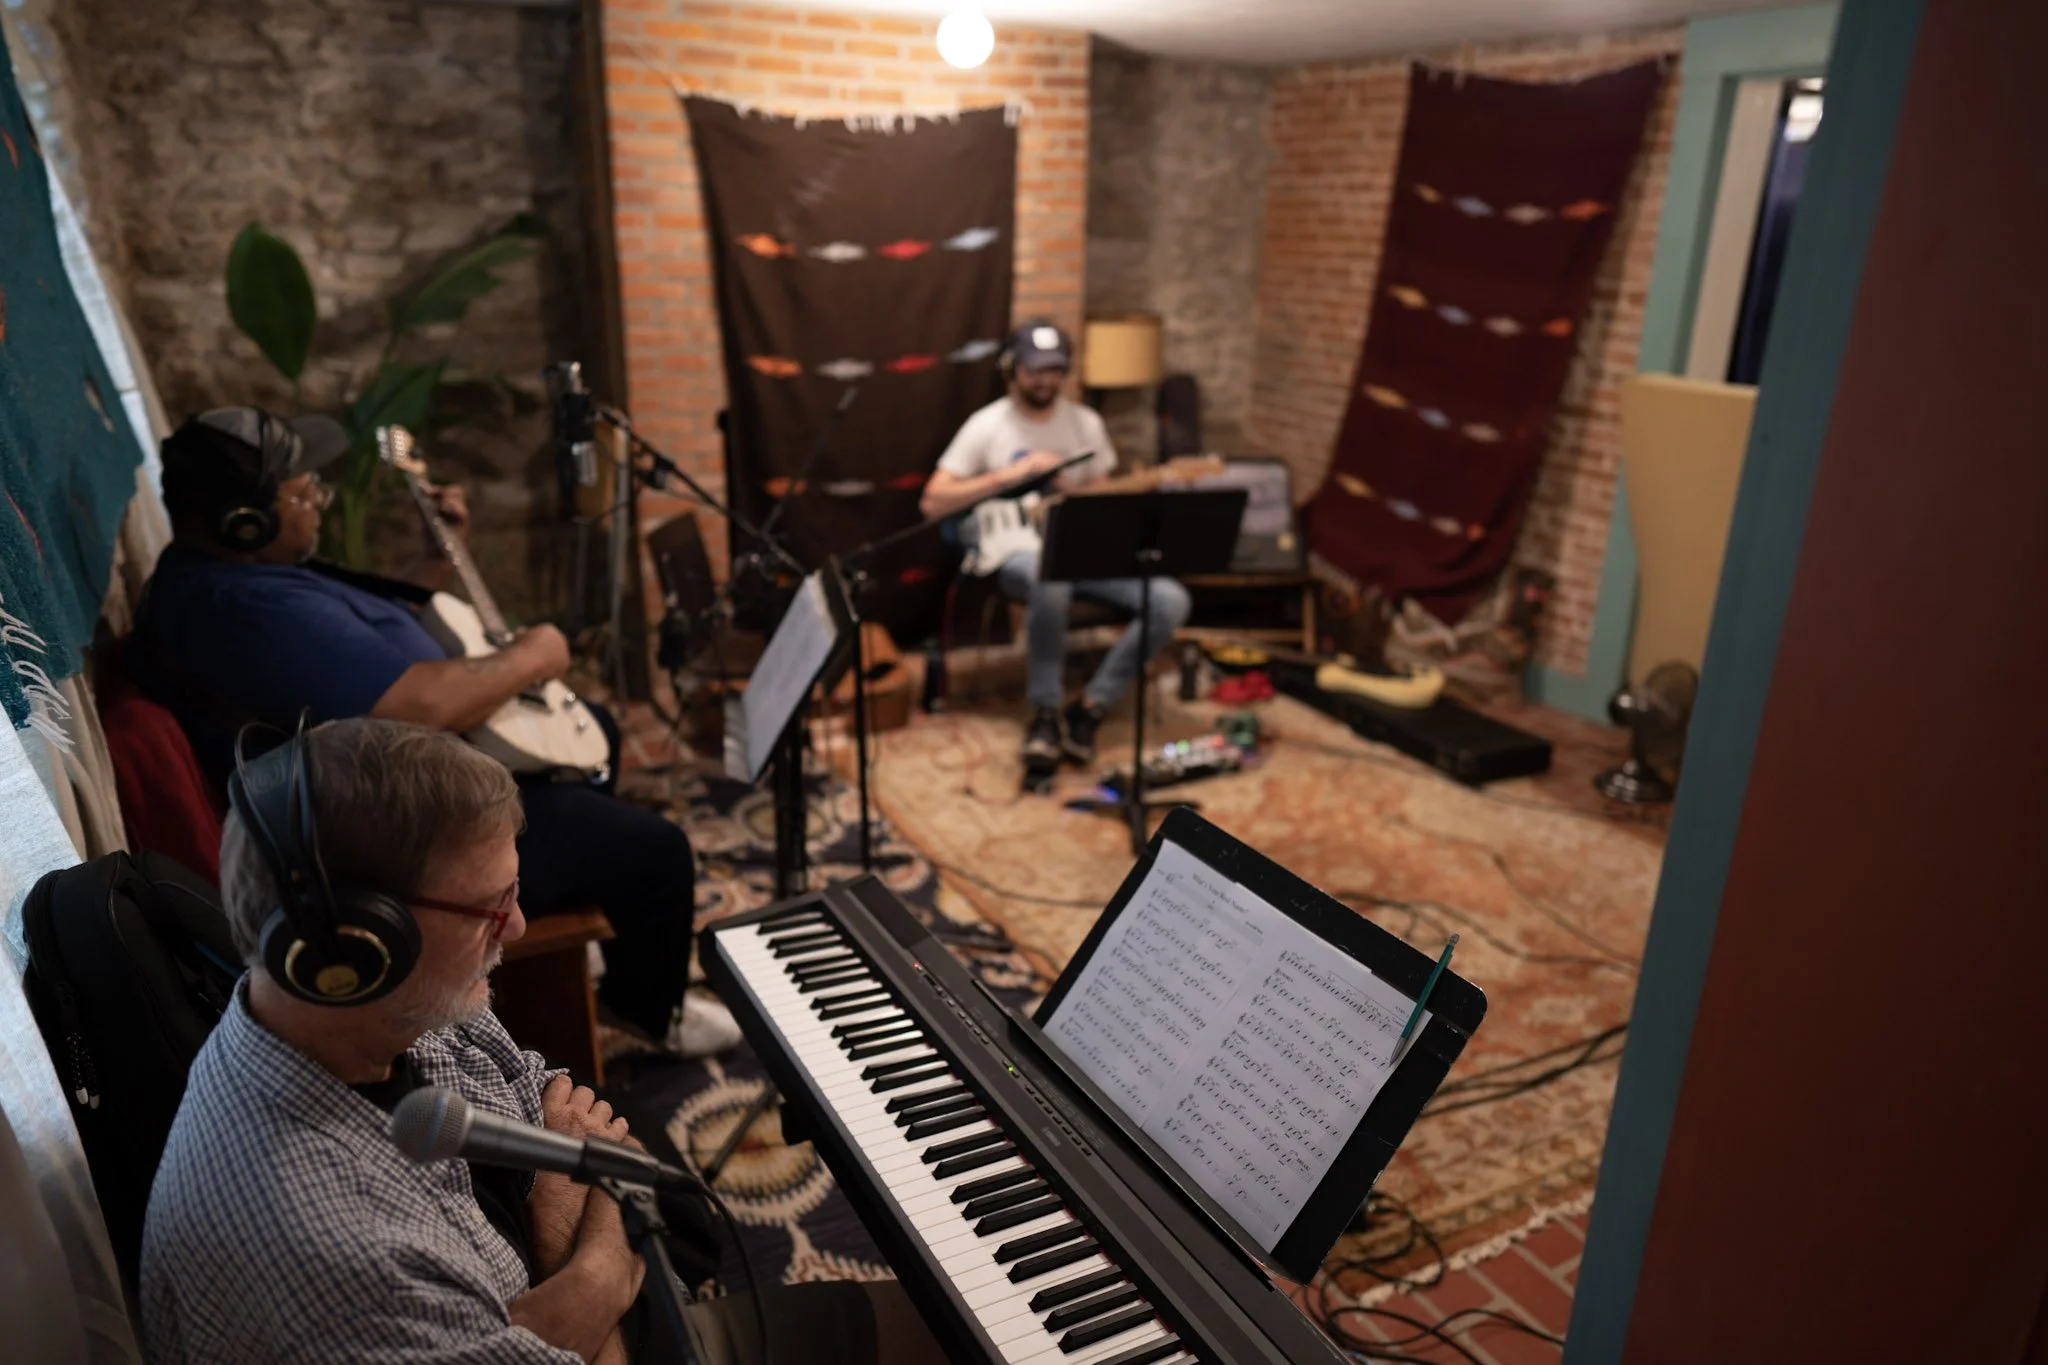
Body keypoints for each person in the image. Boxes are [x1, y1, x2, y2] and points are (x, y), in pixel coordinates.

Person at [141, 717, 945, 1364]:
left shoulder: (385, 1012)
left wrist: (562, 1285)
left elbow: (548, 1096)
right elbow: (577, 1168)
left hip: (593, 1303)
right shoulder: (333, 1251)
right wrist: (587, 1253)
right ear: (355, 949)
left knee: (938, 1320)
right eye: (493, 906)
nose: (518, 927)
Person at [130, 407, 737, 1057]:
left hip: (407, 780)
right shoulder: (246, 608)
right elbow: (417, 708)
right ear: (244, 520)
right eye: (307, 493)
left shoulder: (228, 570)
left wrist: (432, 559)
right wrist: (536, 655)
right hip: (400, 834)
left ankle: (555, 919)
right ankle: (648, 1012)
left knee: (598, 732)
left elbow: (351, 647)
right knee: (658, 852)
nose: (321, 505)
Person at [920, 321, 1191, 778]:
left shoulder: (1085, 424)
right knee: (1051, 577)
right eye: (1034, 370)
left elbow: (1105, 500)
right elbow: (932, 503)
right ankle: (1045, 712)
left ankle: (1090, 707)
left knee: (1169, 599)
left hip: (1079, 549)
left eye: (1055, 370)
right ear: (1012, 369)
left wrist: (1074, 490)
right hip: (1013, 553)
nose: (1045, 380)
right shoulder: (986, 425)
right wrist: (1007, 477)